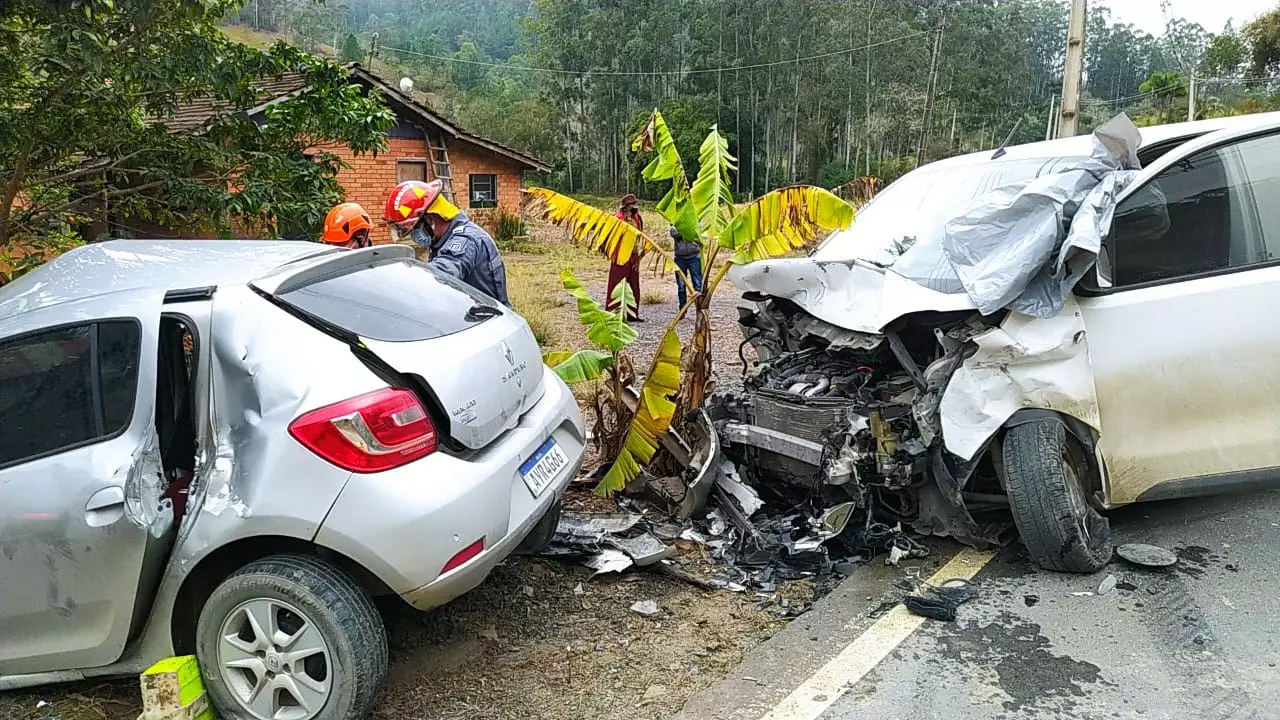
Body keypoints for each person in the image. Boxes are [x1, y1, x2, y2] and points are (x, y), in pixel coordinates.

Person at [383, 179, 510, 306]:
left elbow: (440, 274)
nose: (412, 236)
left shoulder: (465, 239)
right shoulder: (441, 239)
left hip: (491, 320)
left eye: (413, 229)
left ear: (430, 220)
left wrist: (398, 281)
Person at [608, 193, 644, 322]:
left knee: (634, 285)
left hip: (633, 254)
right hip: (620, 254)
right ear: (625, 207)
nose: (634, 208)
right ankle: (612, 313)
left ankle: (632, 314)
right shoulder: (618, 219)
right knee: (616, 284)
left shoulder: (637, 218)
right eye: (631, 206)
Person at [670, 226, 702, 310]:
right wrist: (687, 231)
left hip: (694, 256)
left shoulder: (694, 219)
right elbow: (673, 232)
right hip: (680, 258)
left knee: (697, 285)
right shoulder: (676, 221)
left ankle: (699, 309)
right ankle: (682, 309)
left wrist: (683, 231)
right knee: (681, 286)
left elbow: (697, 230)